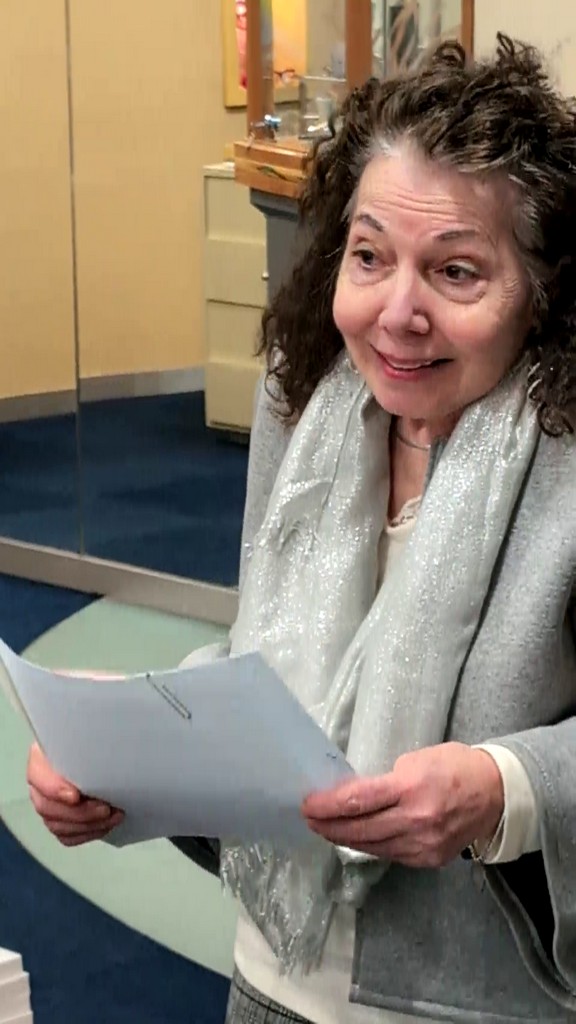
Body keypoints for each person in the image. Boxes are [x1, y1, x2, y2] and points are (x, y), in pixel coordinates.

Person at [27, 34, 576, 1024]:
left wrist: (507, 788)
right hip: (270, 979)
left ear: (543, 295)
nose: (397, 312)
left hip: (477, 1002)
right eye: (370, 256)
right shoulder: (310, 414)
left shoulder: (563, 464)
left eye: (455, 271)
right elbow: (278, 675)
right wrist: (121, 754)